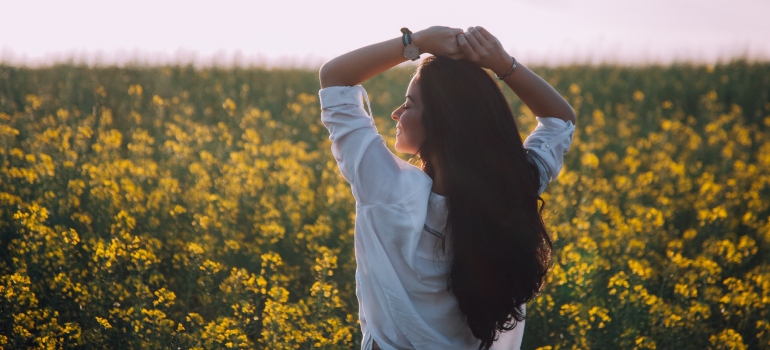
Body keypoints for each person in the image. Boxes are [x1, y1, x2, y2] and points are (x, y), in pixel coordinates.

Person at [318, 26, 576, 350]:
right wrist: (502, 64)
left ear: (442, 121)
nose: (397, 112)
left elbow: (334, 78)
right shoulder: (514, 186)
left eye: (409, 104)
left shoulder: (388, 191)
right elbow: (560, 120)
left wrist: (416, 42)